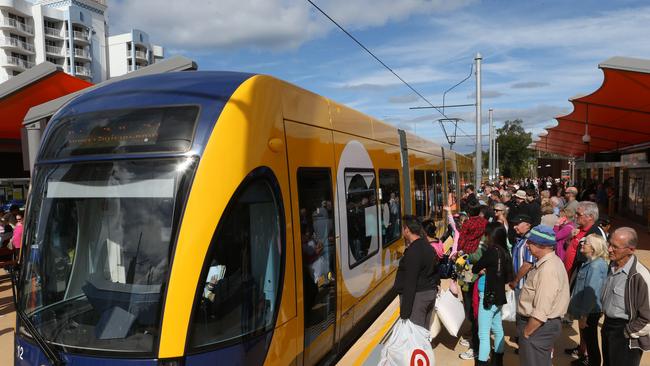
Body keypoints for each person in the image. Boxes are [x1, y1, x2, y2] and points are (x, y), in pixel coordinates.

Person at [517, 225, 570, 366]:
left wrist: (527, 333)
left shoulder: (548, 270)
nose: (527, 245)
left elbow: (542, 309)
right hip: (540, 327)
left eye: (530, 242)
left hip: (538, 327)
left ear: (542, 245)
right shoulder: (549, 263)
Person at [601, 227, 650, 366]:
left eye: (615, 247)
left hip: (625, 332)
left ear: (631, 249)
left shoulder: (640, 276)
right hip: (608, 326)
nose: (609, 249)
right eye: (609, 244)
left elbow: (647, 317)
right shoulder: (612, 265)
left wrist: (627, 332)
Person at [472, 223, 513, 366]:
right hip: (500, 296)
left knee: (483, 334)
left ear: (491, 236)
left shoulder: (491, 251)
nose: (485, 237)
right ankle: (498, 360)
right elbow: (508, 276)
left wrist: (485, 270)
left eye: (487, 234)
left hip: (487, 295)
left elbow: (476, 267)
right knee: (497, 328)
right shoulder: (505, 251)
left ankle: (482, 362)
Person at [567, 234, 609, 366]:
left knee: (591, 341)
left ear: (594, 248)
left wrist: (584, 315)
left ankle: (593, 363)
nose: (582, 243)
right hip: (587, 310)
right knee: (588, 339)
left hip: (590, 311)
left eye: (586, 242)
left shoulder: (596, 266)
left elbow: (592, 293)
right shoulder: (591, 262)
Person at [393, 215, 439, 328]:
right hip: (429, 293)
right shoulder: (427, 246)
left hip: (419, 298)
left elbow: (410, 282)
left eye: (403, 229)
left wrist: (404, 313)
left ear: (407, 230)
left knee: (416, 336)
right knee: (423, 333)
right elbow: (435, 270)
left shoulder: (413, 251)